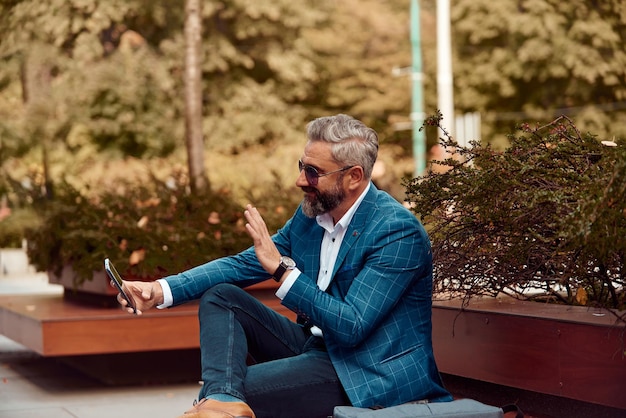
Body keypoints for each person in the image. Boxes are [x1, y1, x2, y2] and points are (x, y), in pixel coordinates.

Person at [116, 114, 452, 418]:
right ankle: (221, 398)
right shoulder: (311, 216)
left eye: (313, 172)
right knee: (222, 299)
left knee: (236, 395)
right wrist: (158, 289)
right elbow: (243, 264)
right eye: (301, 166)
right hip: (318, 347)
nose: (300, 181)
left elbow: (352, 326)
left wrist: (282, 272)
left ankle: (221, 402)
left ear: (353, 177)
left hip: (369, 372)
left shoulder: (397, 231)